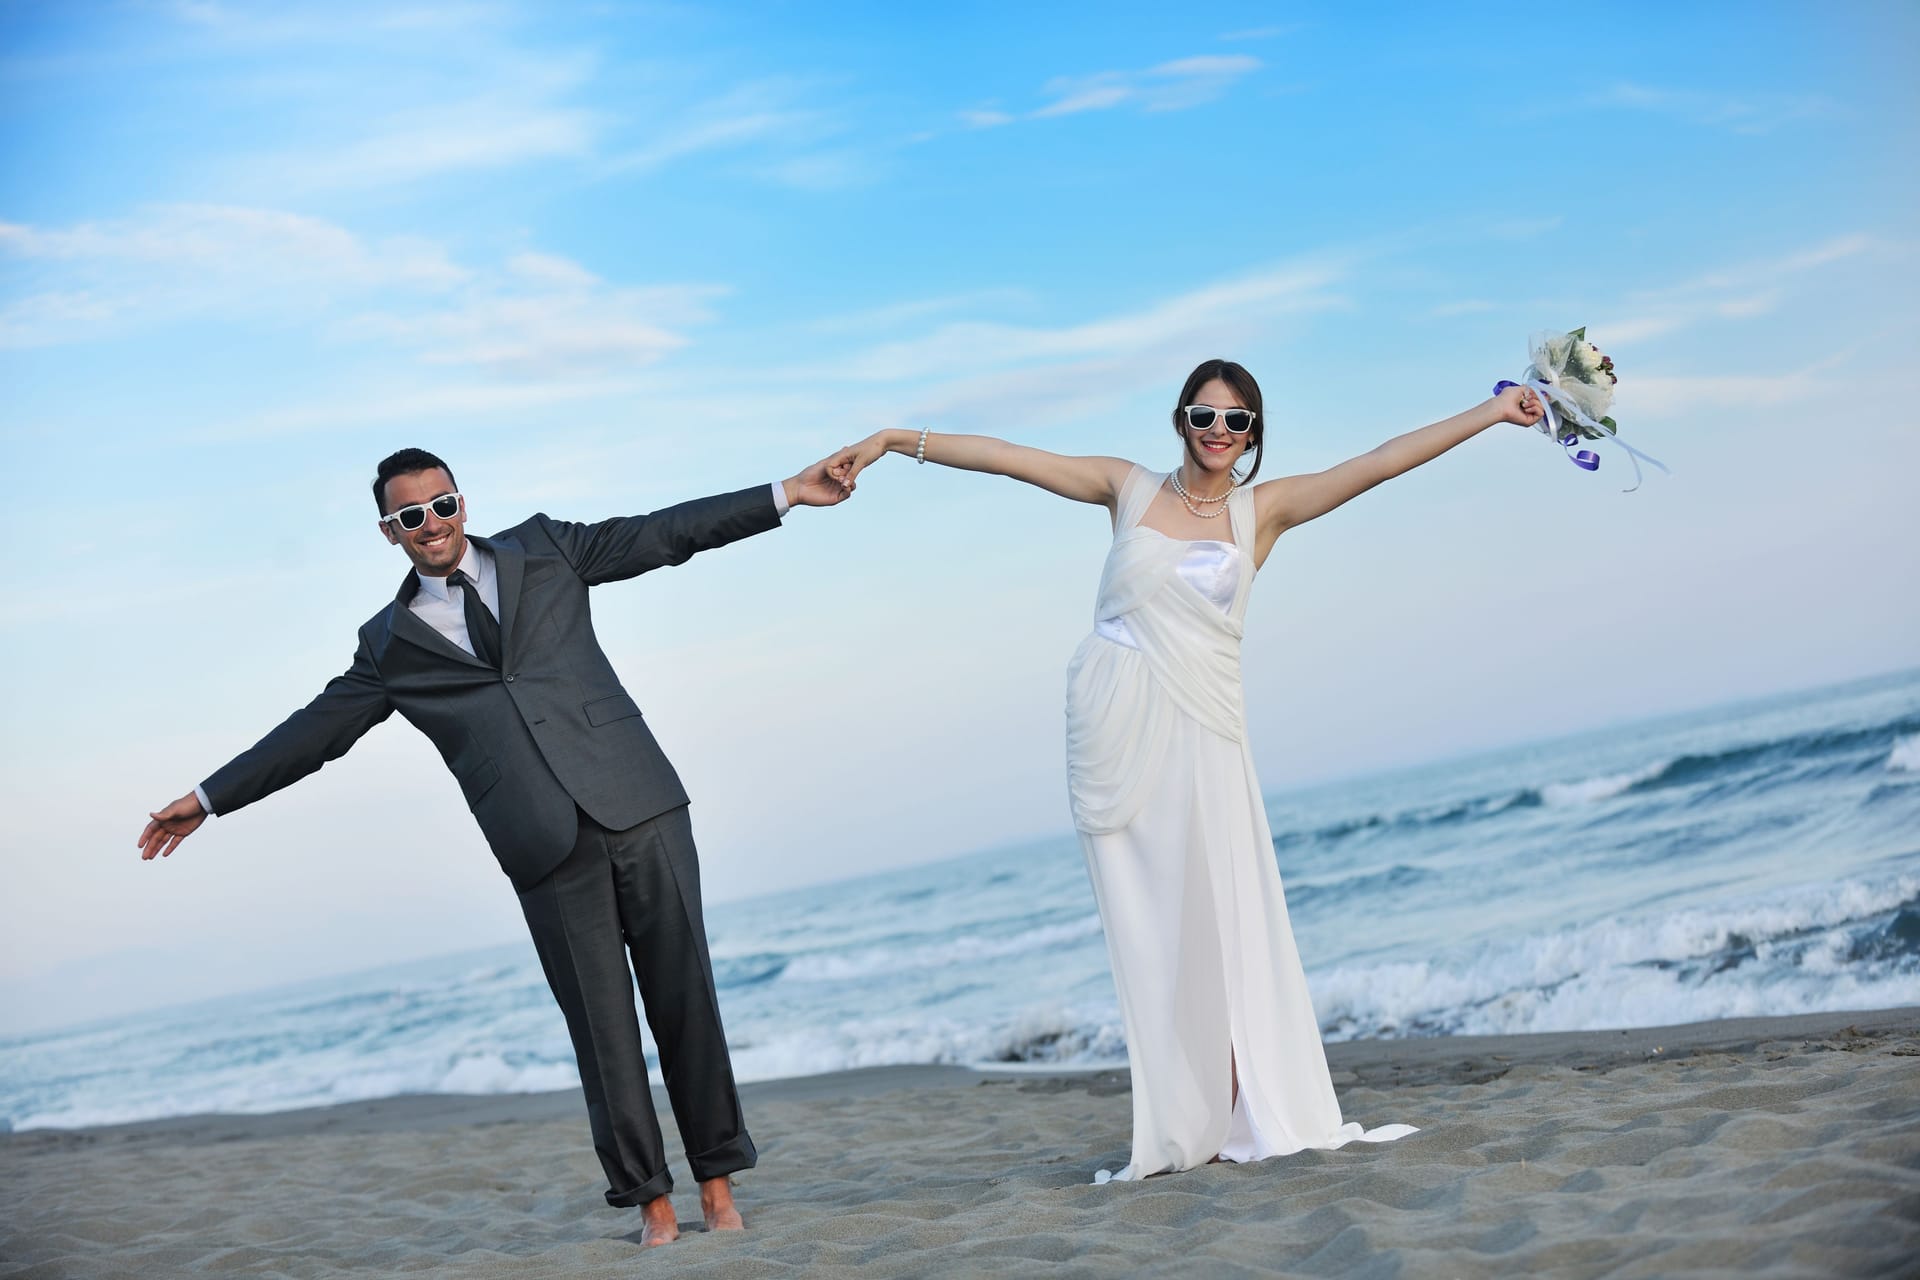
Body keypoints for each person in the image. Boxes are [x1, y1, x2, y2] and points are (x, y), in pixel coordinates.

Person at [837, 361, 1544, 1181]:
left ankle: (1245, 1099)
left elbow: (1381, 462)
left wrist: (1491, 414)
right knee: (1156, 923)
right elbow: (1003, 454)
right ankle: (1190, 1111)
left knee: (1225, 911)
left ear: (1253, 434)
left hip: (1206, 733)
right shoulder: (1125, 487)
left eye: (1237, 421)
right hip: (1117, 732)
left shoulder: (1262, 512)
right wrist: (893, 440)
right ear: (1181, 419)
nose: (1218, 432)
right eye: (1204, 416)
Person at [136, 445, 857, 1245]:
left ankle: (718, 1188)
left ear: (462, 504)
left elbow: (663, 534)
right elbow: (314, 734)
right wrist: (208, 797)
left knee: (686, 1000)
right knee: (603, 1033)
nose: (431, 524)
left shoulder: (546, 548)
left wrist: (785, 493)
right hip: (542, 848)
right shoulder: (388, 645)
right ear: (390, 532)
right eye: (411, 516)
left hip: (640, 804)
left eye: (441, 505)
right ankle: (652, 1205)